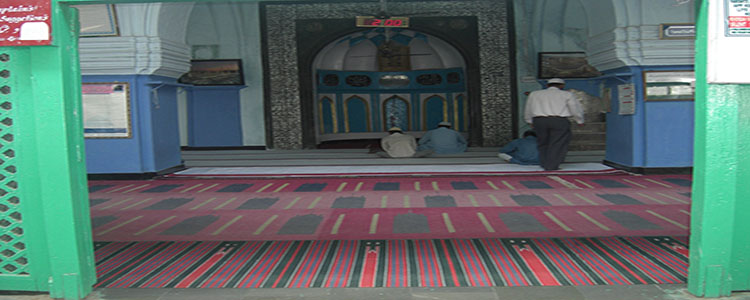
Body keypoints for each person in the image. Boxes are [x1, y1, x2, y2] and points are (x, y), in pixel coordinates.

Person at [523, 78, 584, 171]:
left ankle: (544, 163)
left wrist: (529, 121)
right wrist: (579, 120)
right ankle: (552, 166)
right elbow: (574, 108)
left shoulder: (534, 94)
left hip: (539, 121)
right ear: (562, 86)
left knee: (542, 142)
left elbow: (528, 108)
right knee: (557, 143)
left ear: (547, 85)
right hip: (559, 121)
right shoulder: (567, 94)